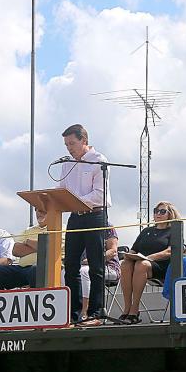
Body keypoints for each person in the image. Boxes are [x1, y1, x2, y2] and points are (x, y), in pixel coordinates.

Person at [59, 123, 111, 323]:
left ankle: (96, 312)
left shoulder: (99, 161)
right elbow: (61, 190)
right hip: (75, 217)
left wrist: (77, 201)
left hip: (95, 215)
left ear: (84, 141)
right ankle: (73, 314)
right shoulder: (66, 163)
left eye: (72, 143)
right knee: (71, 265)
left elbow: (100, 195)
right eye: (66, 145)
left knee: (96, 266)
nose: (69, 148)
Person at [118, 201, 180, 324]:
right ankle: (127, 308)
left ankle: (134, 310)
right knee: (125, 264)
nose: (158, 214)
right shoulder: (146, 231)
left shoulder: (173, 231)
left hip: (160, 266)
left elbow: (170, 251)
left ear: (170, 214)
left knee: (142, 265)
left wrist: (149, 258)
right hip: (140, 263)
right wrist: (129, 255)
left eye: (163, 211)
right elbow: (134, 249)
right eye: (156, 211)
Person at [0, 206, 49, 291]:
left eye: (42, 210)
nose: (38, 212)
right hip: (22, 268)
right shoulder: (28, 230)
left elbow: (50, 248)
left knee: (36, 271)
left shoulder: (59, 228)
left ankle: (36, 302)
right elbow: (15, 250)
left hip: (44, 269)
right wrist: (39, 245)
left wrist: (27, 242)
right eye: (36, 209)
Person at [78, 224, 119, 319]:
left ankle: (84, 313)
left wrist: (92, 260)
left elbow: (113, 251)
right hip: (83, 266)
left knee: (85, 272)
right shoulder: (80, 226)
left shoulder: (108, 227)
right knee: (65, 272)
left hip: (108, 267)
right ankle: (71, 313)